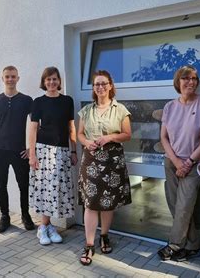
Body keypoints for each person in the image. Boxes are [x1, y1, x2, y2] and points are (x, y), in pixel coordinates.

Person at [77, 70, 132, 266]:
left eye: (103, 83)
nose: (100, 87)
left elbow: (127, 134)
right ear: (93, 88)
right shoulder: (86, 111)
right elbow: (80, 134)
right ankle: (89, 244)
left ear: (110, 86)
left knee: (108, 202)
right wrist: (86, 142)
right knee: (91, 203)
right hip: (91, 160)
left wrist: (109, 137)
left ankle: (105, 236)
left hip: (112, 161)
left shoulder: (121, 109)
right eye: (96, 84)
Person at [157, 65, 200, 262]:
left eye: (194, 78)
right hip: (172, 162)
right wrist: (176, 162)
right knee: (175, 204)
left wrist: (189, 162)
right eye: (186, 78)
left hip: (194, 164)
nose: (190, 82)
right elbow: (164, 137)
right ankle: (192, 245)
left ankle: (175, 245)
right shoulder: (170, 106)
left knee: (184, 205)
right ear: (178, 82)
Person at [28, 66, 78, 245]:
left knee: (57, 188)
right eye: (48, 79)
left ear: (59, 81)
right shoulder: (38, 102)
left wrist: (73, 150)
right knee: (45, 188)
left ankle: (49, 226)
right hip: (43, 150)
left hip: (63, 150)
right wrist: (32, 154)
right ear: (44, 82)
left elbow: (71, 127)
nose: (51, 82)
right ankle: (43, 227)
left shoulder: (67, 101)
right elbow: (33, 128)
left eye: (54, 79)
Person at [0, 65, 35, 233]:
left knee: (24, 185)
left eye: (13, 76)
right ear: (2, 78)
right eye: (7, 76)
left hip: (19, 151)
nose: (10, 79)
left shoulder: (27, 100)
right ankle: (4, 217)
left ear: (18, 78)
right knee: (1, 185)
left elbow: (35, 125)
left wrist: (30, 148)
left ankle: (25, 215)